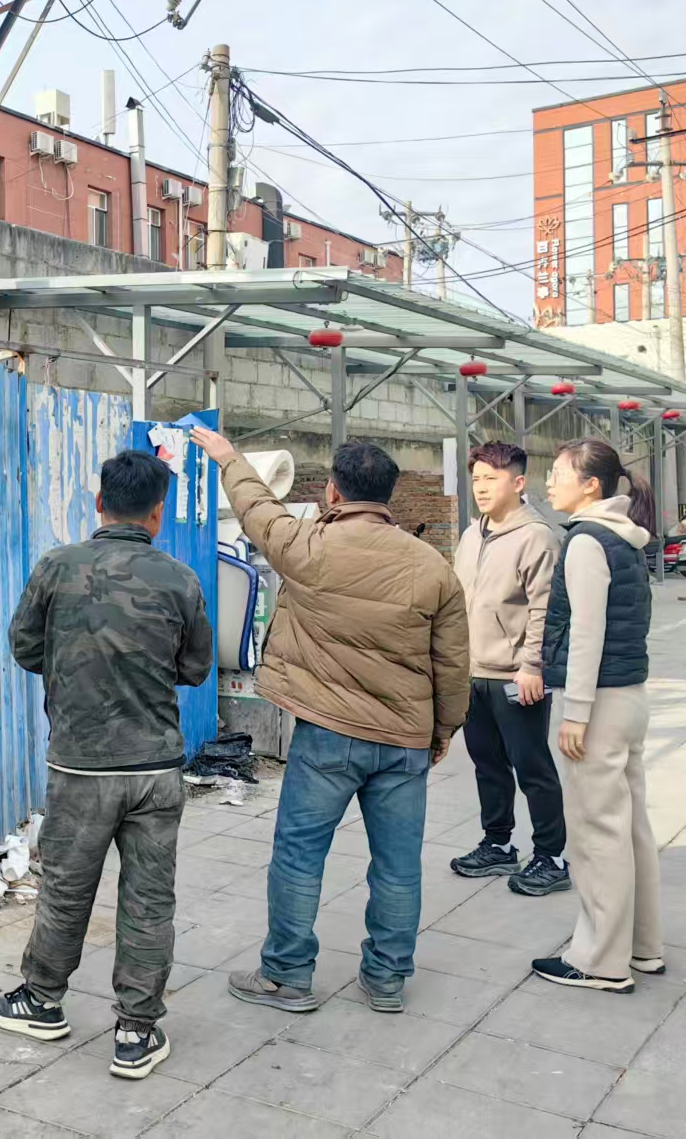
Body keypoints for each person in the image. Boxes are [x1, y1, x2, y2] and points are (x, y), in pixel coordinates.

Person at [190, 429, 469, 1015]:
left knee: (299, 855)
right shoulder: (433, 567)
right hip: (404, 740)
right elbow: (452, 664)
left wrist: (228, 458)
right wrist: (443, 730)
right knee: (397, 865)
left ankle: (287, 976)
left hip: (328, 736)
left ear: (333, 492)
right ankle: (387, 979)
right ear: (388, 495)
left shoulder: (307, 545)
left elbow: (258, 510)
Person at [0, 450, 213, 1080]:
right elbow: (196, 668)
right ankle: (136, 1031)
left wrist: (76, 664)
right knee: (149, 899)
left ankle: (41, 1001)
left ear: (99, 504)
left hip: (81, 767)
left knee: (66, 889)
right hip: (155, 768)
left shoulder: (57, 567)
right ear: (157, 514)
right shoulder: (179, 579)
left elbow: (25, 647)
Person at [534, 438, 662, 993]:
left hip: (600, 704)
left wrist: (576, 714)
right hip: (629, 696)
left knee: (596, 833)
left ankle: (600, 961)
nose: (549, 481)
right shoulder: (624, 538)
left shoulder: (587, 540)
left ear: (591, 485)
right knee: (630, 828)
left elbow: (587, 633)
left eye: (559, 472)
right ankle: (642, 947)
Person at [450, 442, 570, 896]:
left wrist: (533, 665)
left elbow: (545, 609)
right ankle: (498, 844)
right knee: (487, 764)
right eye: (476, 479)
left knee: (531, 766)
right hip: (473, 671)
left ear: (518, 483)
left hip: (517, 676)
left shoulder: (537, 536)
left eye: (491, 479)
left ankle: (551, 856)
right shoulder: (471, 534)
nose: (481, 488)